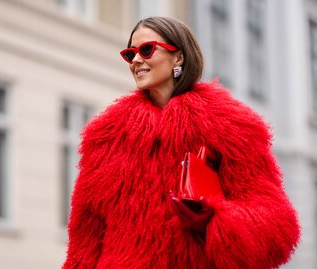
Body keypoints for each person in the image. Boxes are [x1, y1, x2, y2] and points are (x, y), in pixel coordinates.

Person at [62, 17, 300, 269]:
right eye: (130, 54)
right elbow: (86, 236)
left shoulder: (229, 125)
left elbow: (276, 223)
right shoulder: (106, 135)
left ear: (179, 57)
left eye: (146, 49)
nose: (136, 61)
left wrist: (215, 219)